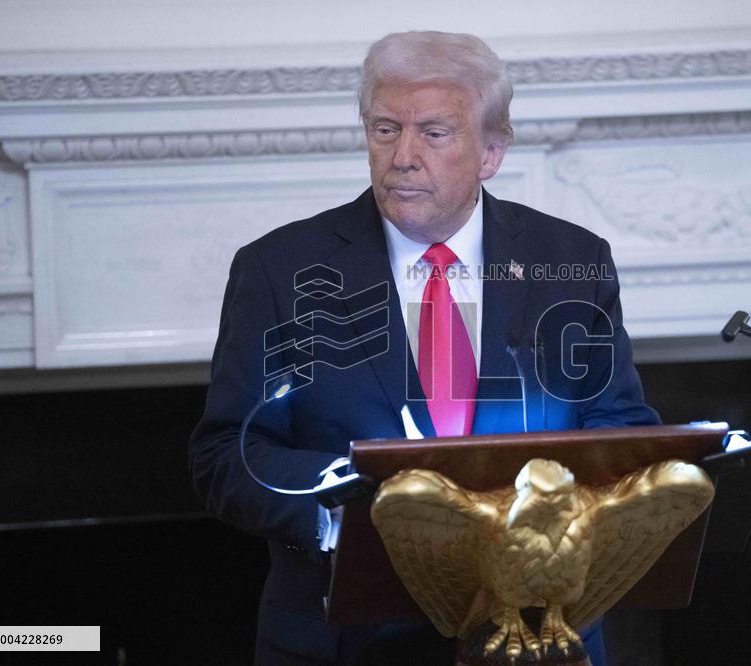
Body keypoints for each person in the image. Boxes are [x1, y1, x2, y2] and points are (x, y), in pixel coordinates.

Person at [189, 30, 660, 666]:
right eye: (385, 130)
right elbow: (228, 455)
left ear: (490, 152)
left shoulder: (569, 261)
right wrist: (348, 505)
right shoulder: (279, 270)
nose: (403, 156)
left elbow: (621, 428)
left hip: (536, 636)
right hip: (343, 640)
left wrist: (546, 516)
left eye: (433, 133)